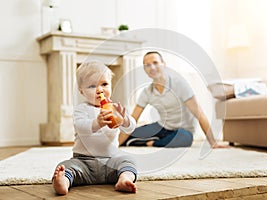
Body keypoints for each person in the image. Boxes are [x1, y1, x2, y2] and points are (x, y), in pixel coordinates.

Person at [52, 61, 137, 195]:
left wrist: (124, 120)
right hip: (84, 162)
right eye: (92, 86)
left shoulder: (115, 109)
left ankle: (124, 179)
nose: (100, 90)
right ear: (81, 91)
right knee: (66, 166)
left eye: (104, 84)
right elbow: (81, 127)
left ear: (111, 85)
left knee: (128, 161)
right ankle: (64, 182)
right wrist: (97, 123)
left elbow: (131, 128)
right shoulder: (81, 110)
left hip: (110, 162)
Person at [119, 51, 228, 148]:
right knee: (128, 135)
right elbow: (132, 121)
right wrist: (117, 144)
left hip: (182, 131)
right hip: (162, 127)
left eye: (155, 63)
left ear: (164, 64)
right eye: (147, 65)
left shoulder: (180, 84)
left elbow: (200, 114)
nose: (152, 67)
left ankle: (152, 143)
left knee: (183, 139)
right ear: (145, 70)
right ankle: (157, 140)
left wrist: (213, 142)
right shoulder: (147, 92)